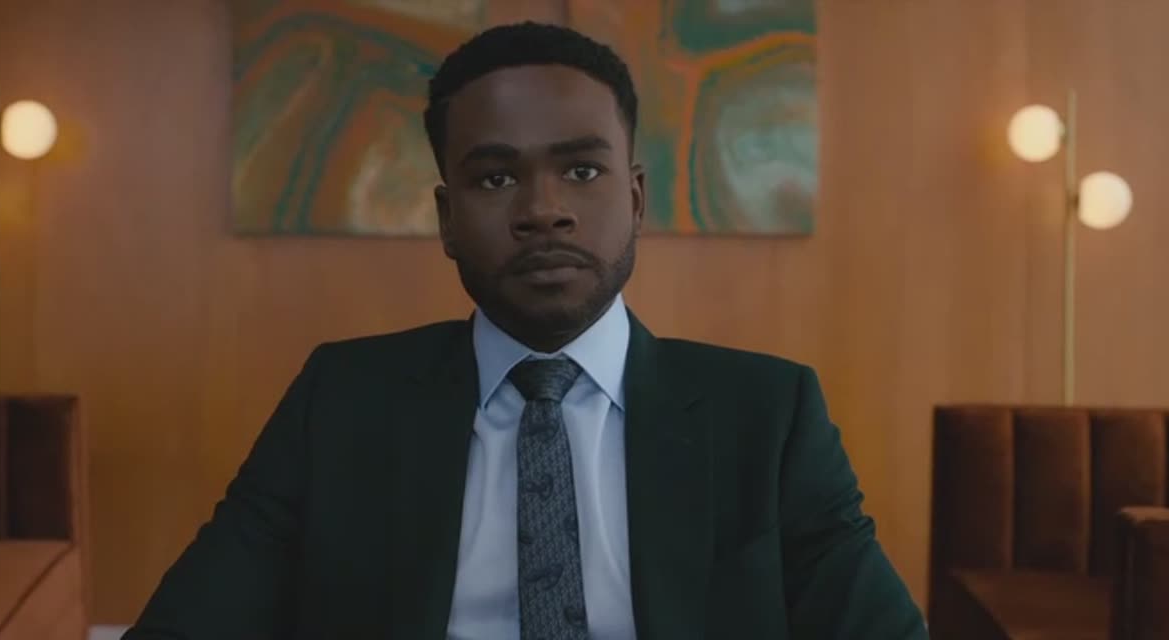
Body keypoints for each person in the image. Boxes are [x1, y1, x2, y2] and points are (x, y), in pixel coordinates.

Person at [123, 21, 927, 640]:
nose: (543, 209)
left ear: (636, 200)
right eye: (496, 177)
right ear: (446, 218)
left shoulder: (768, 412)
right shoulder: (341, 400)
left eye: (581, 170)